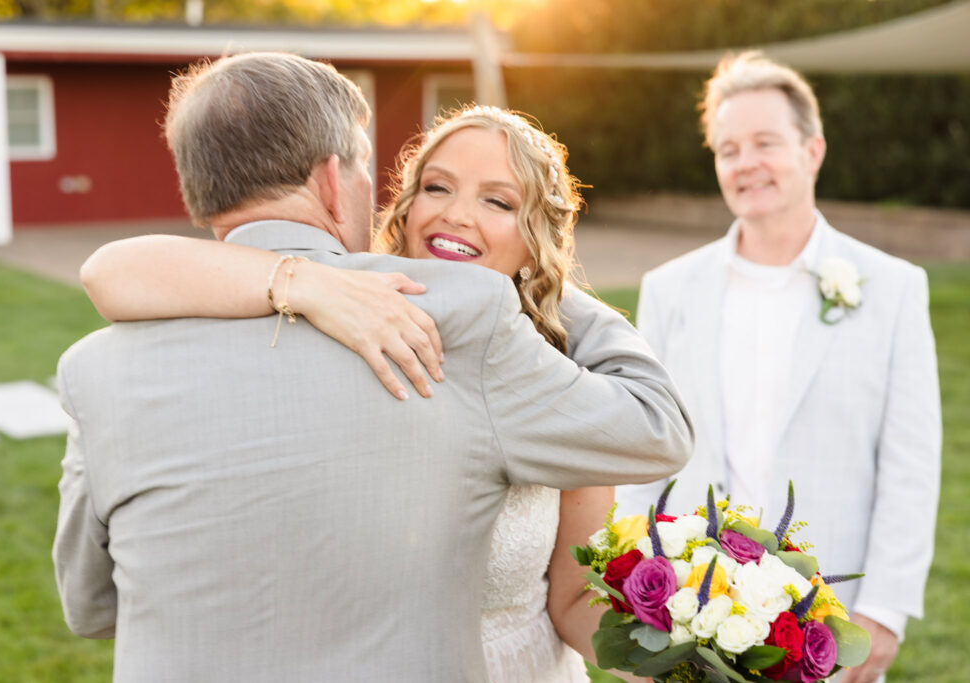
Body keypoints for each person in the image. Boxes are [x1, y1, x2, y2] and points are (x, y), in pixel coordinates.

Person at [53, 52, 694, 683]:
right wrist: (538, 279)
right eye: (430, 185)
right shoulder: (464, 329)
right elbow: (658, 427)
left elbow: (89, 606)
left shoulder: (93, 369)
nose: (455, 212)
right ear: (335, 180)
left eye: (500, 204)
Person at [615, 51, 941, 683]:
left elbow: (911, 462)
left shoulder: (894, 288)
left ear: (812, 150)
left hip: (827, 622)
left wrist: (885, 611)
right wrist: (634, 596)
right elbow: (642, 454)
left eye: (765, 142)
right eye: (728, 148)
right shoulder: (669, 288)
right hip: (692, 615)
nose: (746, 163)